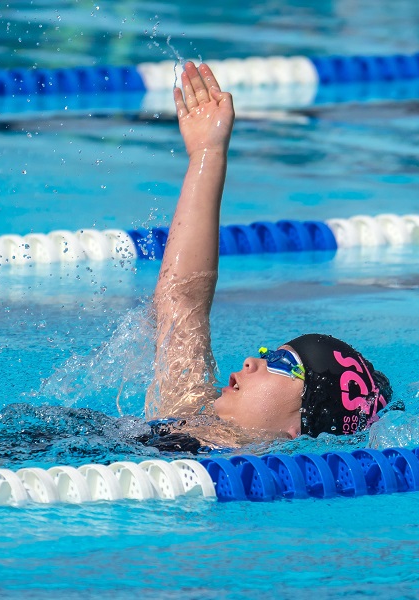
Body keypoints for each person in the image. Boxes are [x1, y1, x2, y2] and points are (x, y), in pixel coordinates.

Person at [141, 62, 394, 452]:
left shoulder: (232, 479)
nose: (249, 362)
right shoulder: (187, 412)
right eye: (268, 355)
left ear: (301, 424)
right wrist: (207, 154)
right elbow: (182, 299)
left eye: (279, 364)